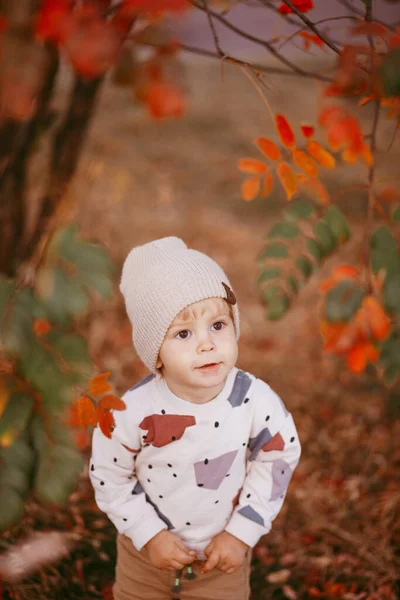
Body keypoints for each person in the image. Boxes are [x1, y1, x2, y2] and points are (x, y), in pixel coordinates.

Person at [90, 236, 302, 600]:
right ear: (155, 353)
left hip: (221, 561)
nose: (206, 344)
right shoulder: (132, 412)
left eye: (218, 325)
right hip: (144, 558)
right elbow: (109, 475)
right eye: (184, 333)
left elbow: (278, 459)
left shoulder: (254, 401)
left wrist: (241, 533)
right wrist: (149, 533)